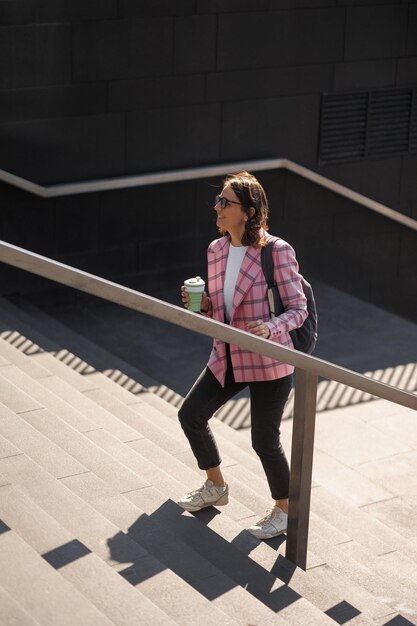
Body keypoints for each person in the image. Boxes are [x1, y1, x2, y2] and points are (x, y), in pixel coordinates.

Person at [178, 171, 307, 539]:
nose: (216, 207)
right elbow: (220, 310)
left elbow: (298, 309)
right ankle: (215, 487)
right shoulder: (216, 250)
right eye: (218, 200)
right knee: (191, 414)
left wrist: (271, 327)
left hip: (268, 360)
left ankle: (285, 510)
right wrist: (200, 305)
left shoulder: (277, 251)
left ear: (248, 212)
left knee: (264, 440)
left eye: (225, 202)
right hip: (229, 354)